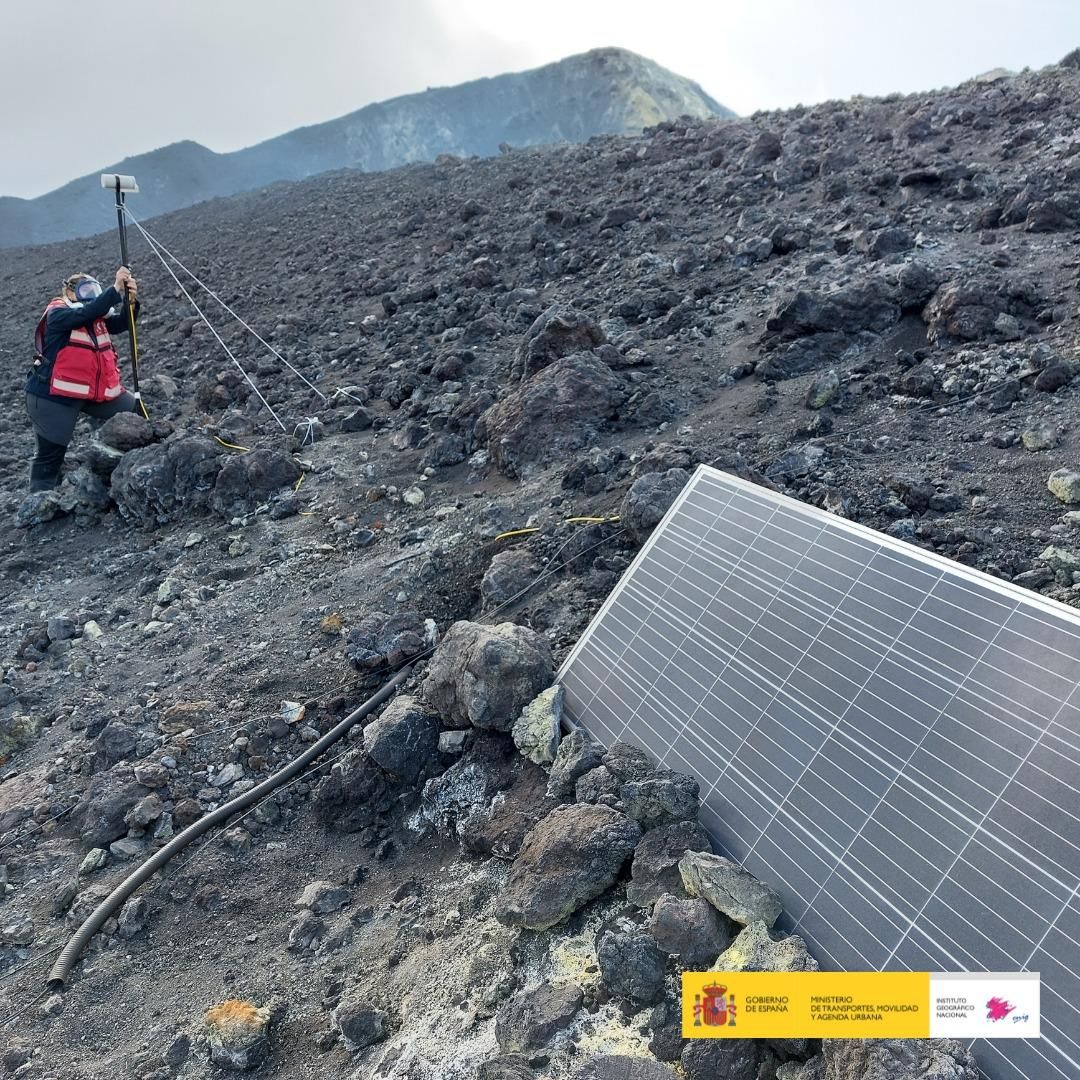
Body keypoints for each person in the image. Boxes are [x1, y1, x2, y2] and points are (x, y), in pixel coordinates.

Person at [26, 266, 140, 491]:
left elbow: (120, 324)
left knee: (134, 415)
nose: (92, 295)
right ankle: (39, 503)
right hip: (54, 397)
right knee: (50, 458)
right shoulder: (58, 313)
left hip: (94, 392)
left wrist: (131, 303)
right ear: (69, 292)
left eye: (95, 289)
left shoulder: (96, 315)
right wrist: (114, 289)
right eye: (86, 290)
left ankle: (119, 468)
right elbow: (83, 314)